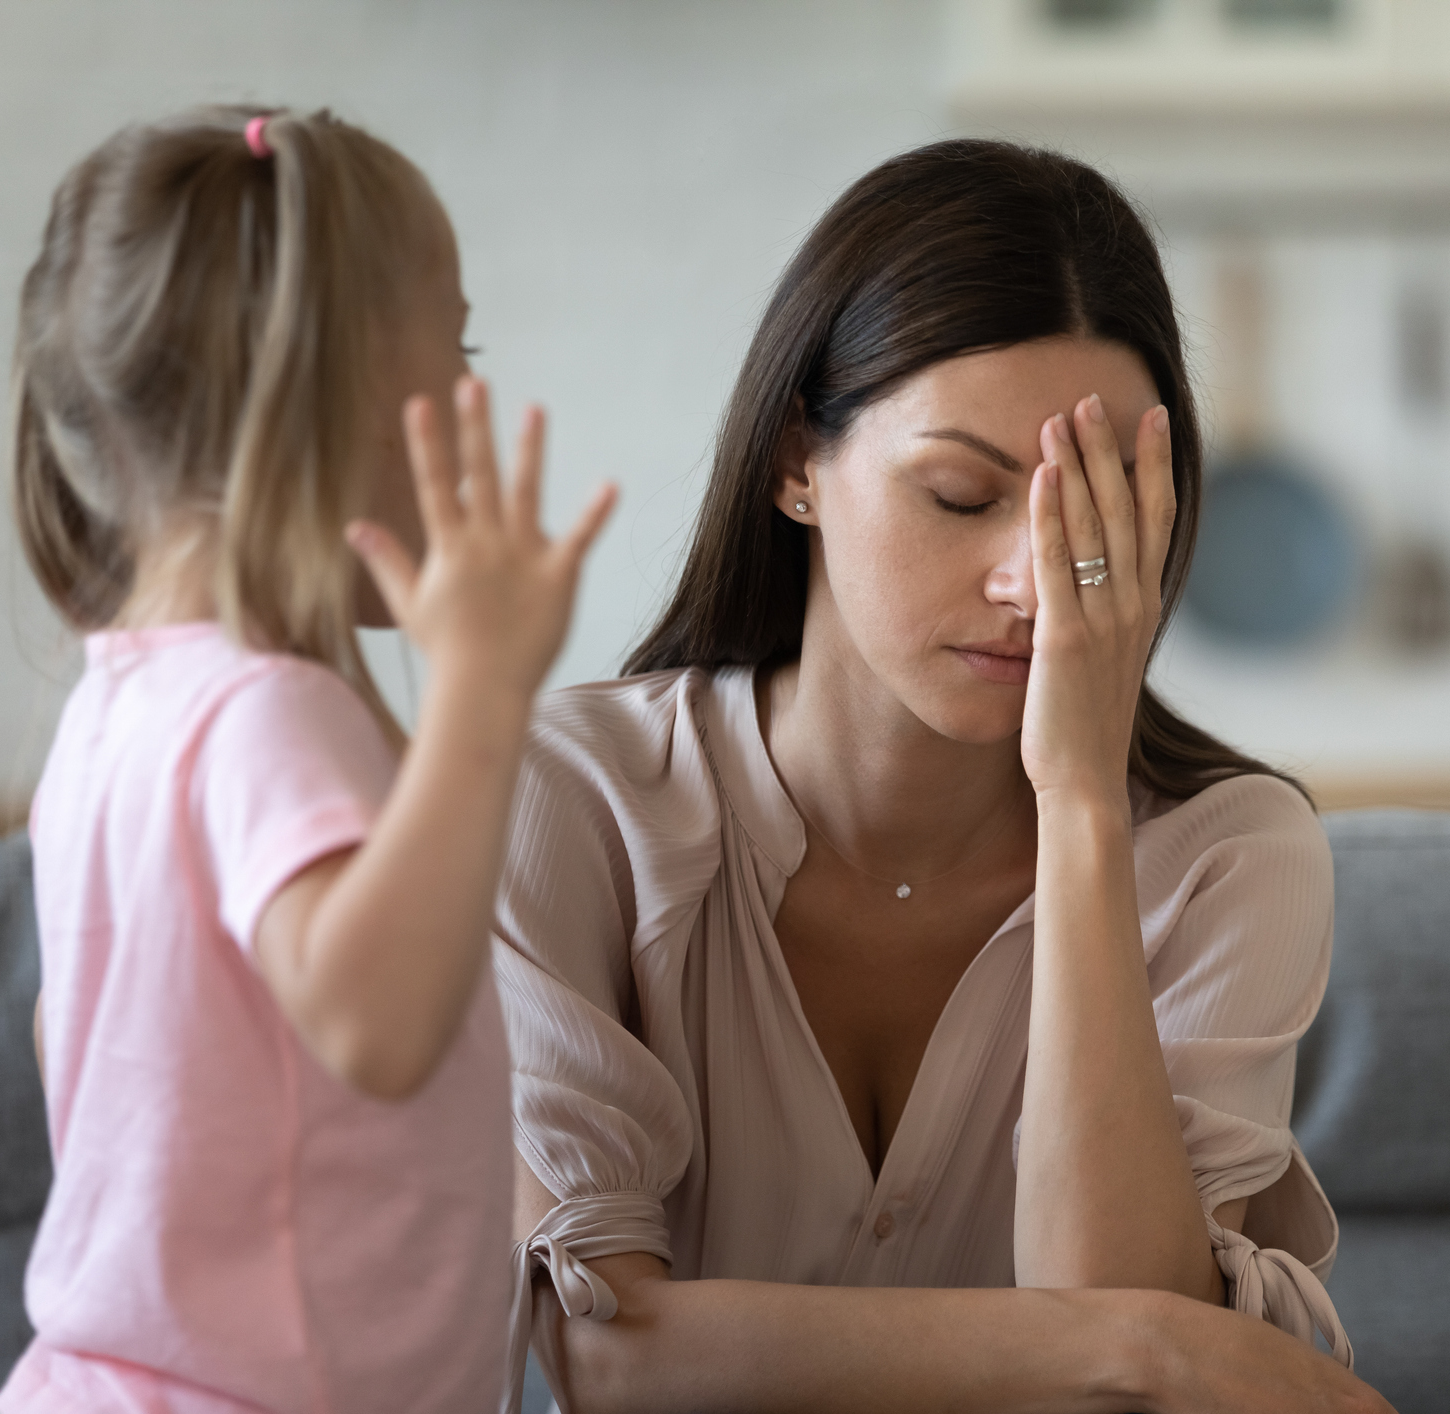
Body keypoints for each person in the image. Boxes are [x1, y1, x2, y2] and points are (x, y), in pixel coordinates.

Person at [493, 140, 1389, 1412]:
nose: (1033, 583)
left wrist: (1081, 799)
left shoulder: (1232, 851)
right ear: (795, 462)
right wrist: (1143, 1344)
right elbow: (608, 1358)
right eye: (962, 495)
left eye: (1095, 514)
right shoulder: (569, 798)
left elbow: (1118, 1349)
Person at [0, 106, 613, 1414]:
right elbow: (378, 1024)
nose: (474, 399)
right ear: (333, 399)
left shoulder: (116, 709)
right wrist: (483, 691)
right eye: (457, 350)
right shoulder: (270, 713)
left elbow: (80, 1039)